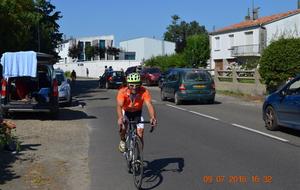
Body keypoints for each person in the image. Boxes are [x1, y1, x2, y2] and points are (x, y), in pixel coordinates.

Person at [116, 72, 157, 153]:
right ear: (127, 84)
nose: (134, 87)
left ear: (140, 84)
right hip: (126, 112)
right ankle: (122, 140)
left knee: (140, 133)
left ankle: (139, 155)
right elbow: (119, 106)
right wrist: (120, 117)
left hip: (137, 112)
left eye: (137, 85)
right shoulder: (122, 91)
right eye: (131, 85)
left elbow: (149, 105)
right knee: (123, 128)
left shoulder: (144, 91)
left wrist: (153, 117)